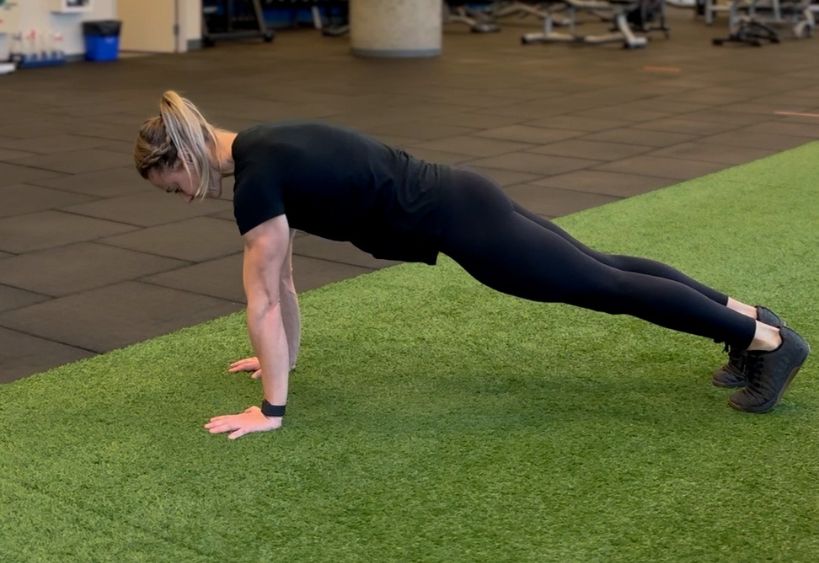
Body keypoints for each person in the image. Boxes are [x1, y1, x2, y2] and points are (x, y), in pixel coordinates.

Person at [134, 91, 810, 440]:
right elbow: (280, 285)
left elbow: (263, 296)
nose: (181, 195)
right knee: (605, 268)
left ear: (182, 157)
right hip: (464, 194)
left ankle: (767, 343)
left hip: (461, 224)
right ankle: (749, 321)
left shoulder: (255, 184)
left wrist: (271, 410)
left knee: (605, 285)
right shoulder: (264, 144)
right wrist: (278, 358)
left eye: (172, 185)